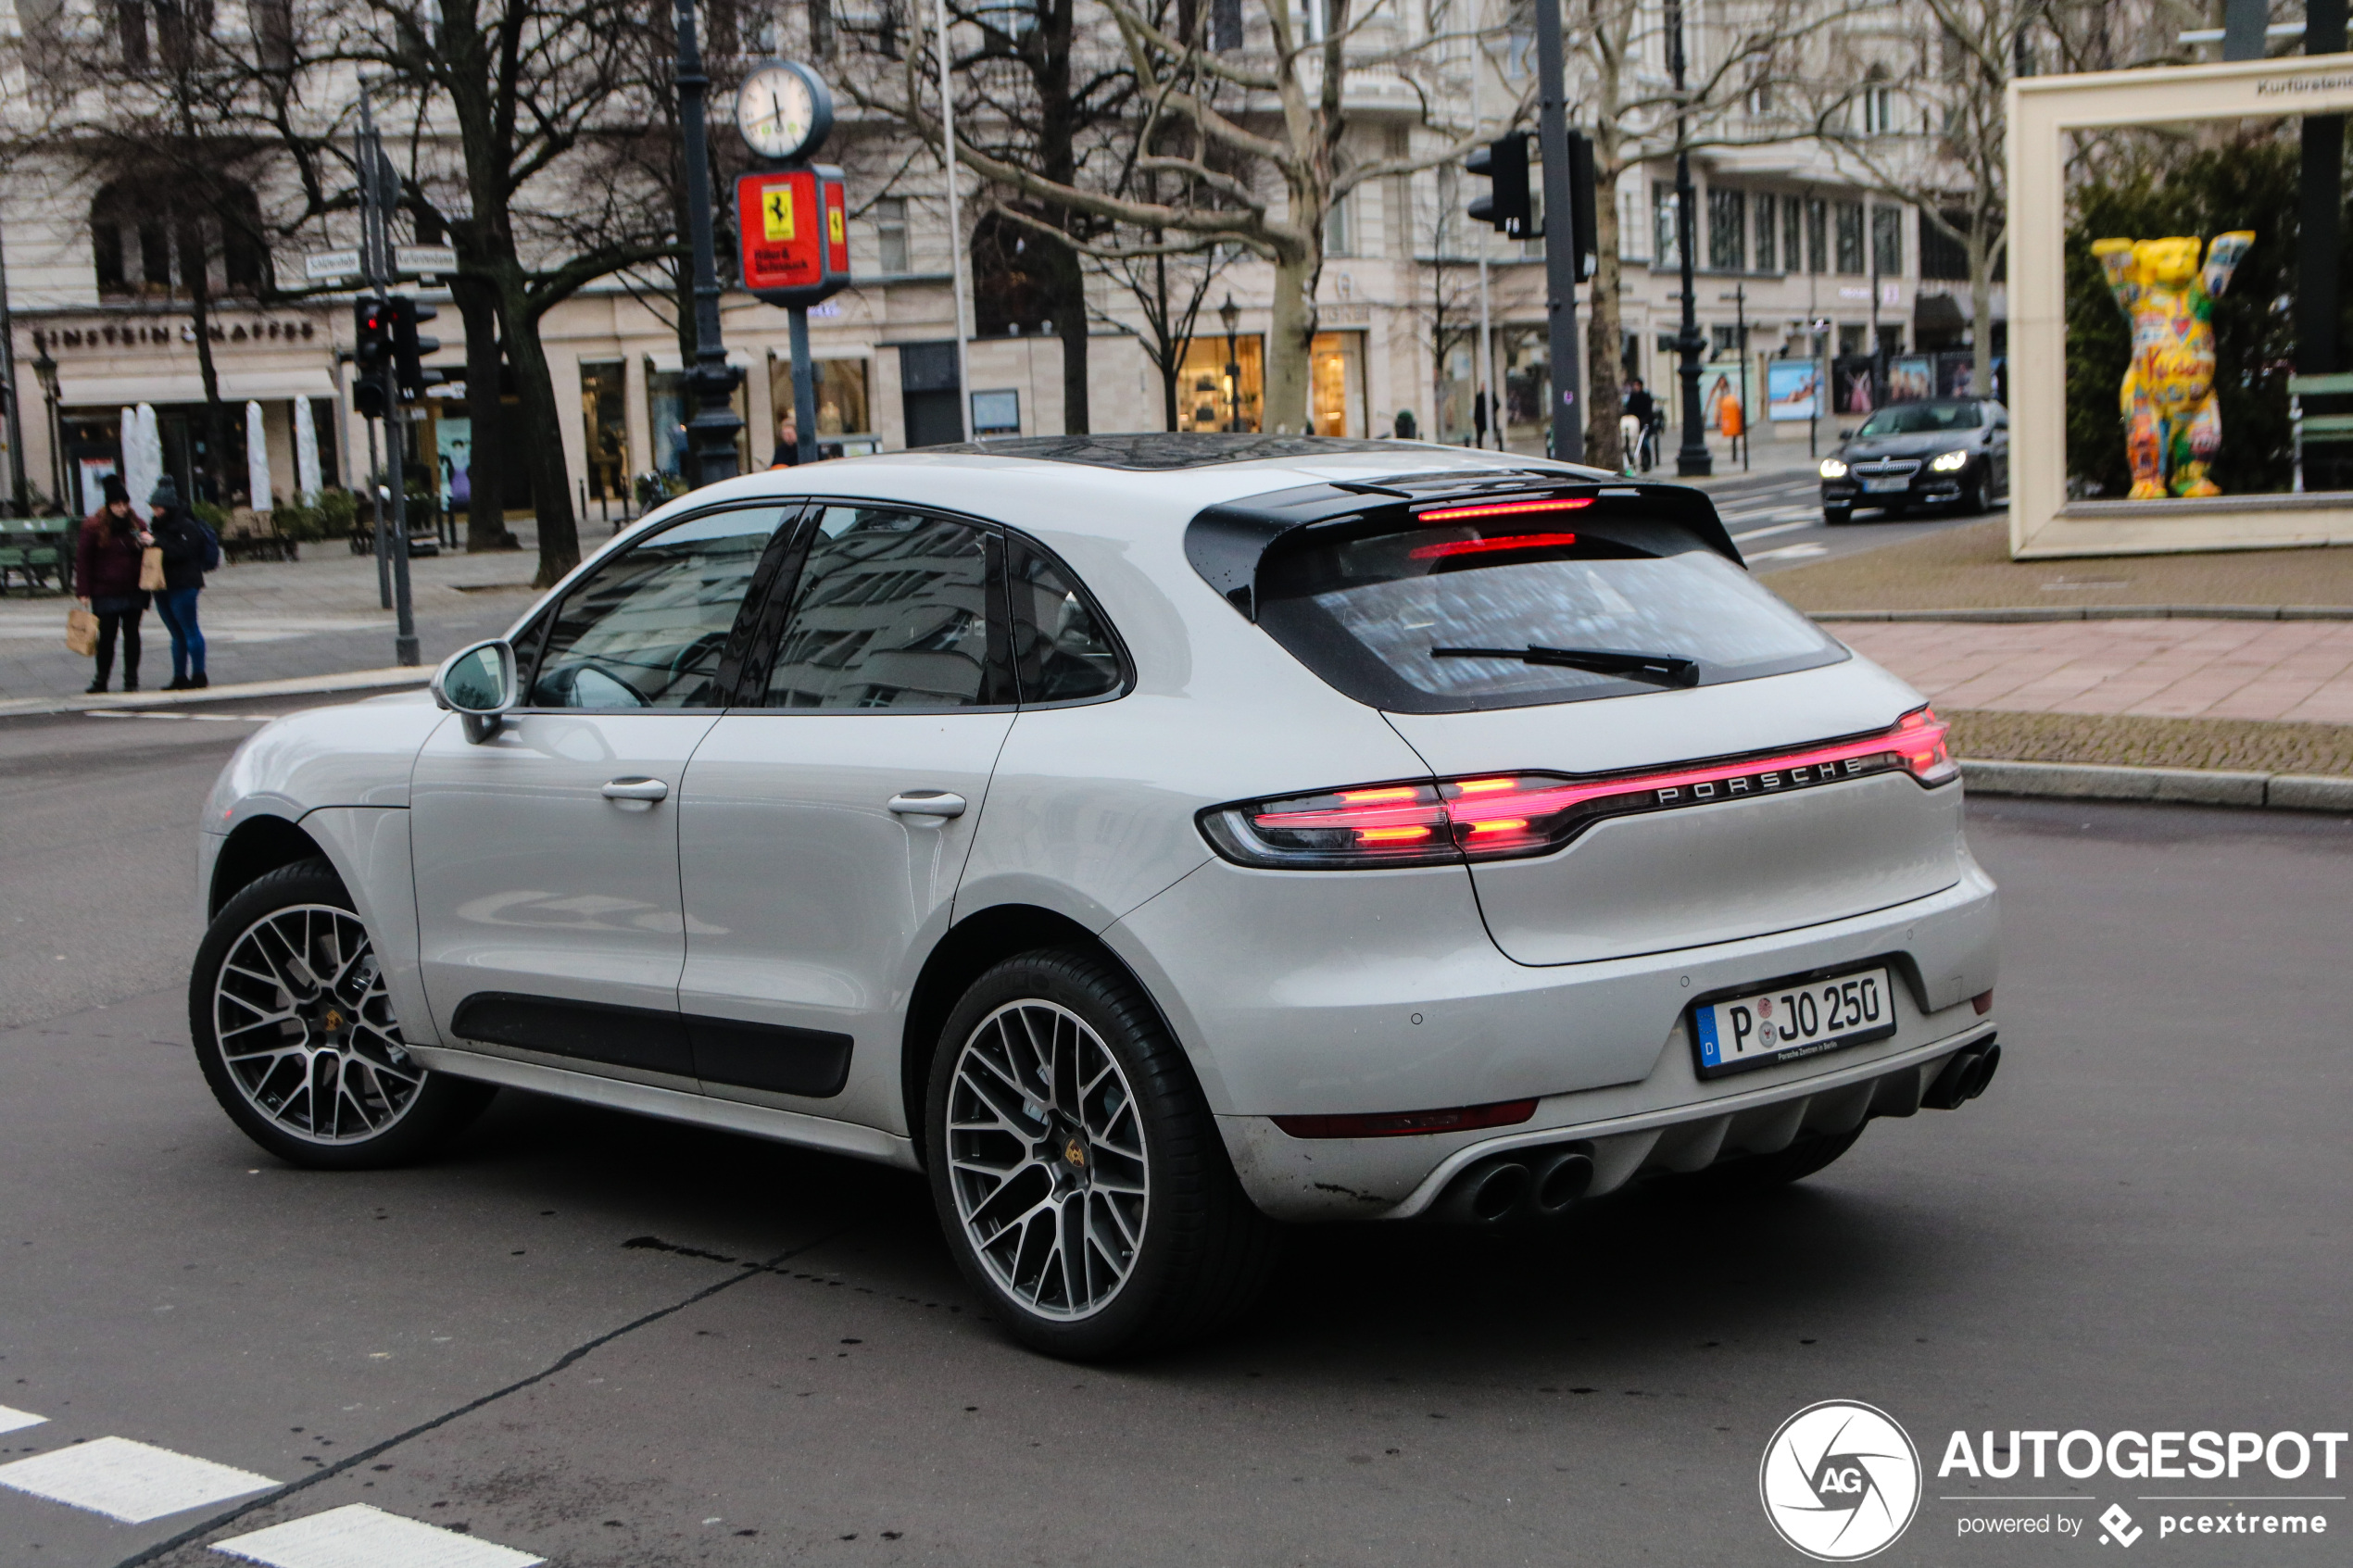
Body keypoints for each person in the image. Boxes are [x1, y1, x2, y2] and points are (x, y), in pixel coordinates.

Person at [74, 475, 149, 695]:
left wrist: (145, 543)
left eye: (125, 504)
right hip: (105, 590)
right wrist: (83, 591)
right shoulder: (93, 526)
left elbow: (149, 551)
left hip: (133, 588)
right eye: (117, 504)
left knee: (132, 635)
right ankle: (102, 678)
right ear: (109, 504)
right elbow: (83, 560)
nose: (122, 508)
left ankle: (131, 679)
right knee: (106, 637)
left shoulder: (137, 524)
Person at [145, 476, 210, 691]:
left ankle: (199, 674)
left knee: (189, 628)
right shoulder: (159, 525)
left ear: (168, 507)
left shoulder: (186, 526)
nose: (155, 512)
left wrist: (156, 543)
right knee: (176, 632)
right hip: (163, 584)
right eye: (153, 508)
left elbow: (183, 552)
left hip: (184, 583)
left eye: (158, 508)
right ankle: (180, 676)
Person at [1622, 378, 1659, 471]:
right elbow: (1629, 410)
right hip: (1635, 423)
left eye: (1637, 385)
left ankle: (1646, 461)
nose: (1635, 387)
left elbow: (1649, 412)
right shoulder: (1632, 397)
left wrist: (1644, 421)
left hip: (1645, 424)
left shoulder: (1646, 397)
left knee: (1644, 442)